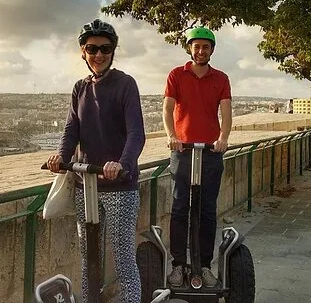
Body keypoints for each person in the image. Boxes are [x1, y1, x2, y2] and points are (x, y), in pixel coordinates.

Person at [46, 19, 145, 303]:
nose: (99, 54)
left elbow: (136, 132)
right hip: (85, 184)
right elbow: (71, 129)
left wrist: (122, 164)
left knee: (123, 257)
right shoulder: (80, 88)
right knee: (88, 256)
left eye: (105, 48)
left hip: (118, 186)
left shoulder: (125, 84)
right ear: (83, 52)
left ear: (113, 51)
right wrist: (61, 157)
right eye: (92, 49)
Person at [163, 26, 232, 288]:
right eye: (196, 46)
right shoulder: (176, 75)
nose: (201, 51)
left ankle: (204, 265)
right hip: (183, 150)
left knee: (207, 210)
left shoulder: (221, 78)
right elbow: (167, 109)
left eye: (205, 47)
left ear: (211, 50)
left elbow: (226, 112)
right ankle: (178, 265)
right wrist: (172, 135)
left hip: (211, 152)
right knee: (180, 207)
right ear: (190, 49)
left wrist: (223, 138)